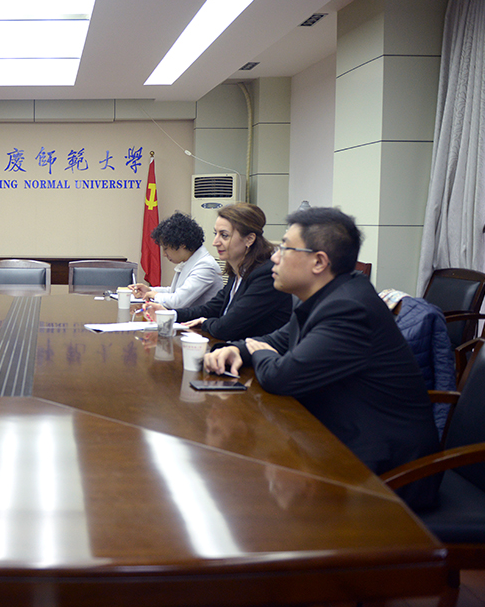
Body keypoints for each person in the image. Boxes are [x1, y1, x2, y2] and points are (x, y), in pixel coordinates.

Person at [204, 207, 440, 510]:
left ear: (319, 262)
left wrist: (259, 353)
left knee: (258, 502)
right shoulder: (327, 297)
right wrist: (237, 349)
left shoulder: (349, 309)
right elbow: (277, 341)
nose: (274, 257)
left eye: (285, 248)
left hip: (387, 471)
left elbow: (281, 377)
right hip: (339, 441)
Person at [146, 202, 291, 341]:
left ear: (249, 239)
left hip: (254, 354)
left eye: (224, 235)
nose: (215, 242)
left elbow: (226, 327)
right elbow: (211, 308)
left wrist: (205, 322)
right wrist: (171, 314)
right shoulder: (238, 272)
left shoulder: (265, 275)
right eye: (216, 234)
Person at [130, 211, 222, 309]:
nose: (164, 254)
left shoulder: (206, 266)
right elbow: (174, 291)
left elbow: (177, 302)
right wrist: (149, 291)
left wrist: (155, 295)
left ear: (182, 245)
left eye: (166, 248)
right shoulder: (191, 260)